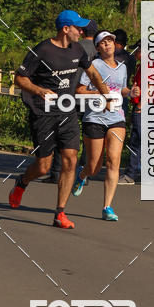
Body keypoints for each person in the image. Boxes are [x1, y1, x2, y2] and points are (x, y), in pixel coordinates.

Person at [8, 10, 110, 229]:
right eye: (78, 28)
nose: (82, 31)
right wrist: (38, 89)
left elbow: (92, 73)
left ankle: (60, 213)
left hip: (68, 112)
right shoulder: (42, 50)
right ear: (66, 29)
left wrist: (106, 94)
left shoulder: (78, 49)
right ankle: (23, 181)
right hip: (43, 114)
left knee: (71, 159)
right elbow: (19, 78)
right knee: (44, 167)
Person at [72, 31, 135, 221]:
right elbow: (80, 91)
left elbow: (121, 89)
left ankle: (107, 207)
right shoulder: (93, 66)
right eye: (103, 42)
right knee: (94, 166)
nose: (108, 44)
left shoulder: (122, 67)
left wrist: (130, 91)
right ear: (98, 47)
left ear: (115, 45)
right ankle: (82, 175)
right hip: (94, 118)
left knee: (113, 161)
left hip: (117, 118)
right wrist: (100, 96)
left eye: (111, 41)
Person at [47, 18, 99, 184]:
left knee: (61, 134)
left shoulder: (74, 46)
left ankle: (56, 172)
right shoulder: (98, 50)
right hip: (89, 96)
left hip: (68, 95)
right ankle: (83, 173)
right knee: (88, 136)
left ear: (82, 31)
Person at [119, 44, 141, 184]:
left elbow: (151, 86)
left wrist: (140, 105)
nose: (136, 53)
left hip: (143, 108)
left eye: (138, 50)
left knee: (136, 141)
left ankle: (130, 175)